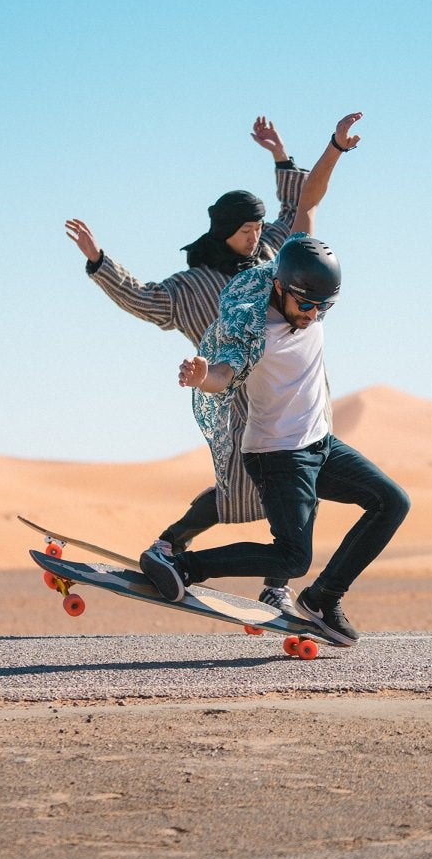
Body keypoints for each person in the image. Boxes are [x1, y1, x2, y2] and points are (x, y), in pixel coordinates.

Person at [139, 112, 409, 647]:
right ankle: (180, 566)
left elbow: (306, 202)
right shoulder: (251, 323)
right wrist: (200, 377)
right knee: (291, 554)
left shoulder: (302, 270)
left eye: (322, 307)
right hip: (277, 453)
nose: (311, 315)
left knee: (392, 502)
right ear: (283, 287)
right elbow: (226, 373)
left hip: (319, 444)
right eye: (304, 305)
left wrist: (334, 147)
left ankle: (322, 599)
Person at [64, 117, 307, 616]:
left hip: (286, 393)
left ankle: (275, 583)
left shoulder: (269, 256)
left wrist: (281, 157)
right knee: (236, 490)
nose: (255, 235)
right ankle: (171, 546)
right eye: (245, 230)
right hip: (235, 399)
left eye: (258, 228)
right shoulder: (192, 285)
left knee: (302, 486)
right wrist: (99, 261)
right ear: (223, 232)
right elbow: (142, 298)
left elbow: (297, 210)